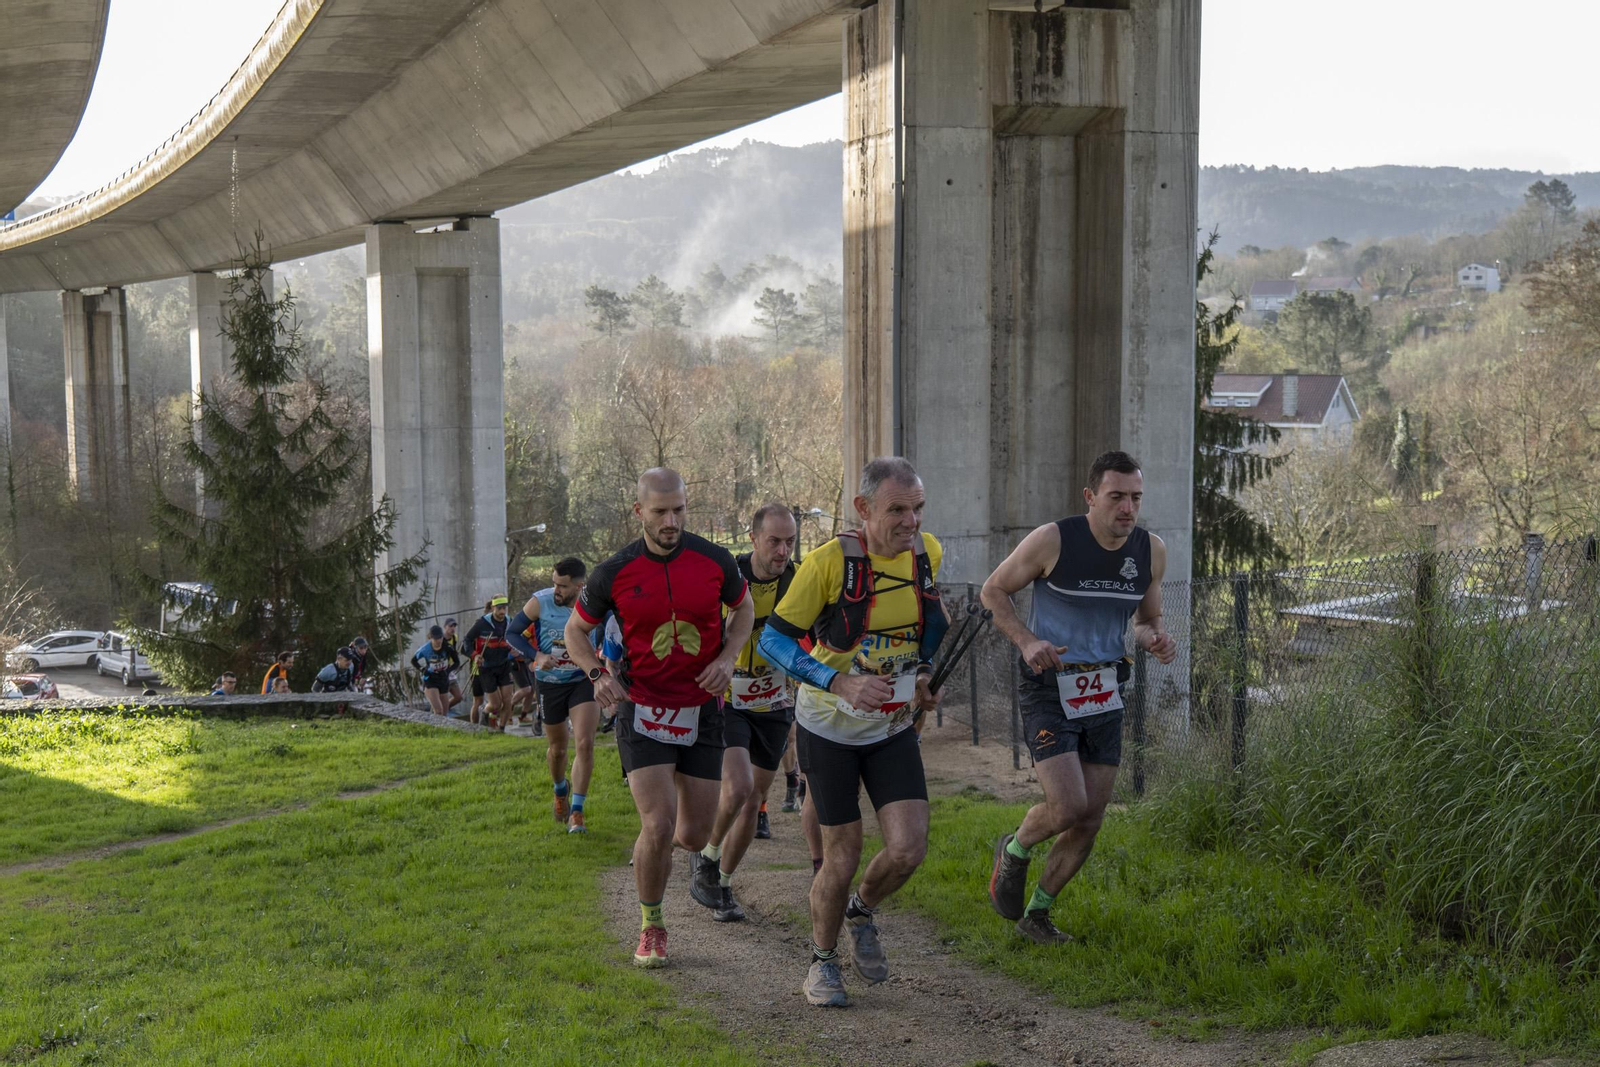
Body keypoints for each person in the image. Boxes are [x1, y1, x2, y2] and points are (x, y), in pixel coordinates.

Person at [758, 457, 948, 1008]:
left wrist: (925, 676)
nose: (911, 522)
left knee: (909, 848)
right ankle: (821, 963)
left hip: (890, 727)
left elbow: (924, 629)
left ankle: (861, 911)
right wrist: (838, 683)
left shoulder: (927, 554)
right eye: (897, 510)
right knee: (841, 854)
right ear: (864, 509)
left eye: (917, 509)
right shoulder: (825, 565)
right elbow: (774, 641)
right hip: (829, 728)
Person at [980, 450, 1177, 945]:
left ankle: (1038, 915)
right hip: (1050, 683)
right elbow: (993, 591)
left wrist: (1155, 637)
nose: (1127, 508)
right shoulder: (1054, 539)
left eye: (1135, 497)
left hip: (1107, 688)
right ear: (1091, 497)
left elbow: (1147, 619)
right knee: (1067, 806)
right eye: (1116, 497)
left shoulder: (1149, 550)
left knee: (1090, 818)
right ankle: (1017, 847)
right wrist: (1028, 642)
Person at [565, 468, 753, 969]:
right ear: (639, 512)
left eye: (679, 510)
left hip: (702, 709)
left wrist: (728, 657)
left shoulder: (714, 560)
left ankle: (663, 851)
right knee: (658, 821)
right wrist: (595, 675)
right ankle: (652, 924)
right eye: (660, 512)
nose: (672, 521)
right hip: (641, 707)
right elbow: (574, 631)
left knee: (690, 834)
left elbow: (745, 610)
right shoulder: (614, 571)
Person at [689, 503, 798, 923]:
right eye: (774, 541)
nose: (783, 550)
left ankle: (724, 884)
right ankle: (707, 857)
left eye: (790, 541)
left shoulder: (799, 581)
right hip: (728, 698)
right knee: (737, 787)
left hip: (773, 702)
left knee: (754, 800)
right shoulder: (725, 577)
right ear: (753, 539)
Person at [509, 557, 605, 833]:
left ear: (579, 586)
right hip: (549, 683)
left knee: (585, 743)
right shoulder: (540, 602)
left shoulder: (596, 604)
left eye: (562, 586)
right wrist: (536, 655)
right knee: (558, 749)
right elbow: (512, 633)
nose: (556, 591)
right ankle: (560, 789)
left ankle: (577, 811)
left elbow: (615, 630)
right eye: (554, 584)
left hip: (583, 679)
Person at [463, 598, 517, 729]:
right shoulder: (482, 623)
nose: (502, 611)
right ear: (493, 608)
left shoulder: (510, 621)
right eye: (499, 608)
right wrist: (475, 656)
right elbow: (467, 640)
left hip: (504, 665)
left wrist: (515, 649)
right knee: (496, 704)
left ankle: (502, 730)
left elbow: (514, 638)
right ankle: (484, 716)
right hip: (486, 668)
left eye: (504, 608)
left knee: (508, 700)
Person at [412, 625, 461, 716]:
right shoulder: (425, 649)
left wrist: (448, 670)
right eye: (436, 639)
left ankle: (440, 729)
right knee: (438, 711)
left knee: (444, 713)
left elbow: (457, 662)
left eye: (440, 638)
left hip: (443, 679)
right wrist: (422, 669)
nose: (439, 641)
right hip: (430, 679)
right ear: (431, 638)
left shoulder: (447, 647)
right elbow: (413, 661)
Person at [442, 618, 465, 713]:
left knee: (458, 697)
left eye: (454, 626)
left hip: (450, 670)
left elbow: (454, 652)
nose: (453, 628)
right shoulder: (440, 639)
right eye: (450, 626)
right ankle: (440, 712)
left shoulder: (454, 637)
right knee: (442, 697)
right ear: (445, 627)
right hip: (441, 670)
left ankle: (444, 709)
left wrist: (455, 663)